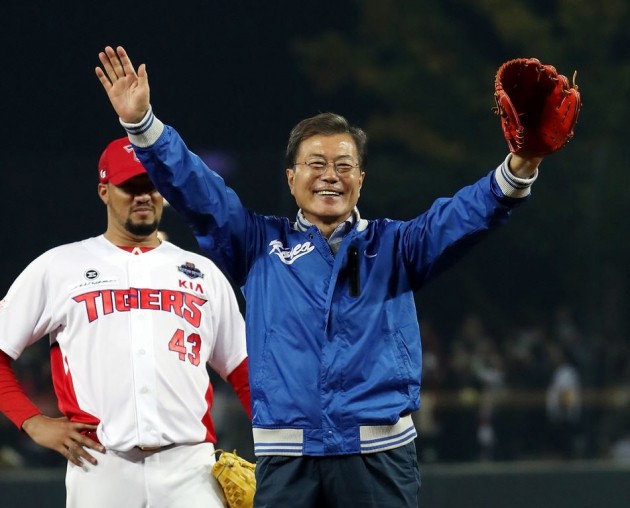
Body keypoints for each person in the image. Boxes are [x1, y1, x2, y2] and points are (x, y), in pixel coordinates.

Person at [95, 45, 545, 508]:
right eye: (316, 163)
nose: (330, 175)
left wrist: (519, 167)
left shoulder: (395, 246)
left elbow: (461, 217)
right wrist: (144, 126)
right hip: (287, 458)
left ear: (361, 180)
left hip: (379, 454)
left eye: (344, 165)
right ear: (291, 179)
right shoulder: (255, 244)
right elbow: (198, 190)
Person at [0, 137, 251, 508]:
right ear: (104, 190)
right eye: (130, 186)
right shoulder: (58, 267)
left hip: (190, 469)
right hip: (100, 465)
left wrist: (278, 448)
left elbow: (243, 369)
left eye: (151, 185)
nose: (142, 195)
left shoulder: (202, 273)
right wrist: (32, 421)